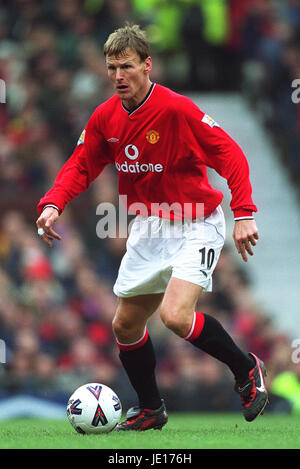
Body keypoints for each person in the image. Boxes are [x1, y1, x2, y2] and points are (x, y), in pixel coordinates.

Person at [36, 24, 268, 431]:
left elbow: (230, 154)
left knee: (176, 316)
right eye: (111, 68)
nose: (118, 76)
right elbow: (81, 165)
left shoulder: (178, 110)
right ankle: (150, 408)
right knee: (124, 325)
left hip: (197, 222)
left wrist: (244, 212)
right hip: (150, 226)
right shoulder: (105, 116)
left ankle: (246, 369)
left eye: (126, 66)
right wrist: (54, 203)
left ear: (147, 65)